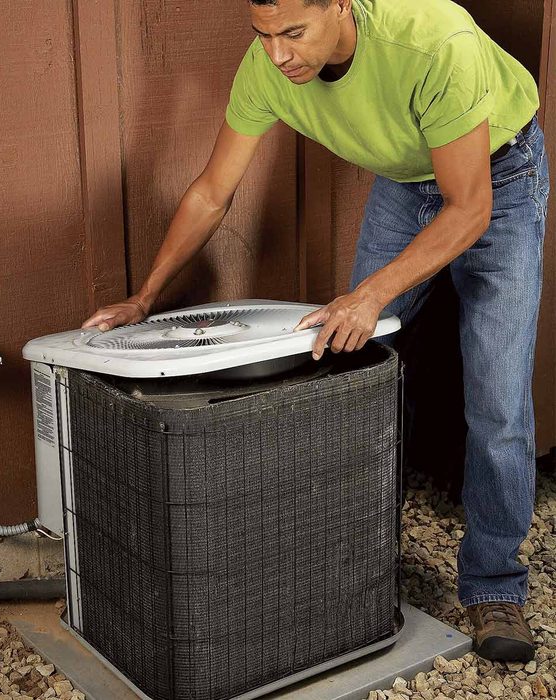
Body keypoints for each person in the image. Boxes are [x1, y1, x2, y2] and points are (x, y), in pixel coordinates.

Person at [82, 0, 550, 662]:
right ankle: (348, 568)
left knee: (498, 399)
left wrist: (369, 294)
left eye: (293, 33)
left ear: (340, 5)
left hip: (497, 175)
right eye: (263, 34)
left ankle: (495, 586)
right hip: (406, 178)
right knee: (352, 372)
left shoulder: (431, 38)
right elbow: (213, 192)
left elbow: (469, 209)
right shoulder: (268, 67)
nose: (278, 54)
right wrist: (144, 295)